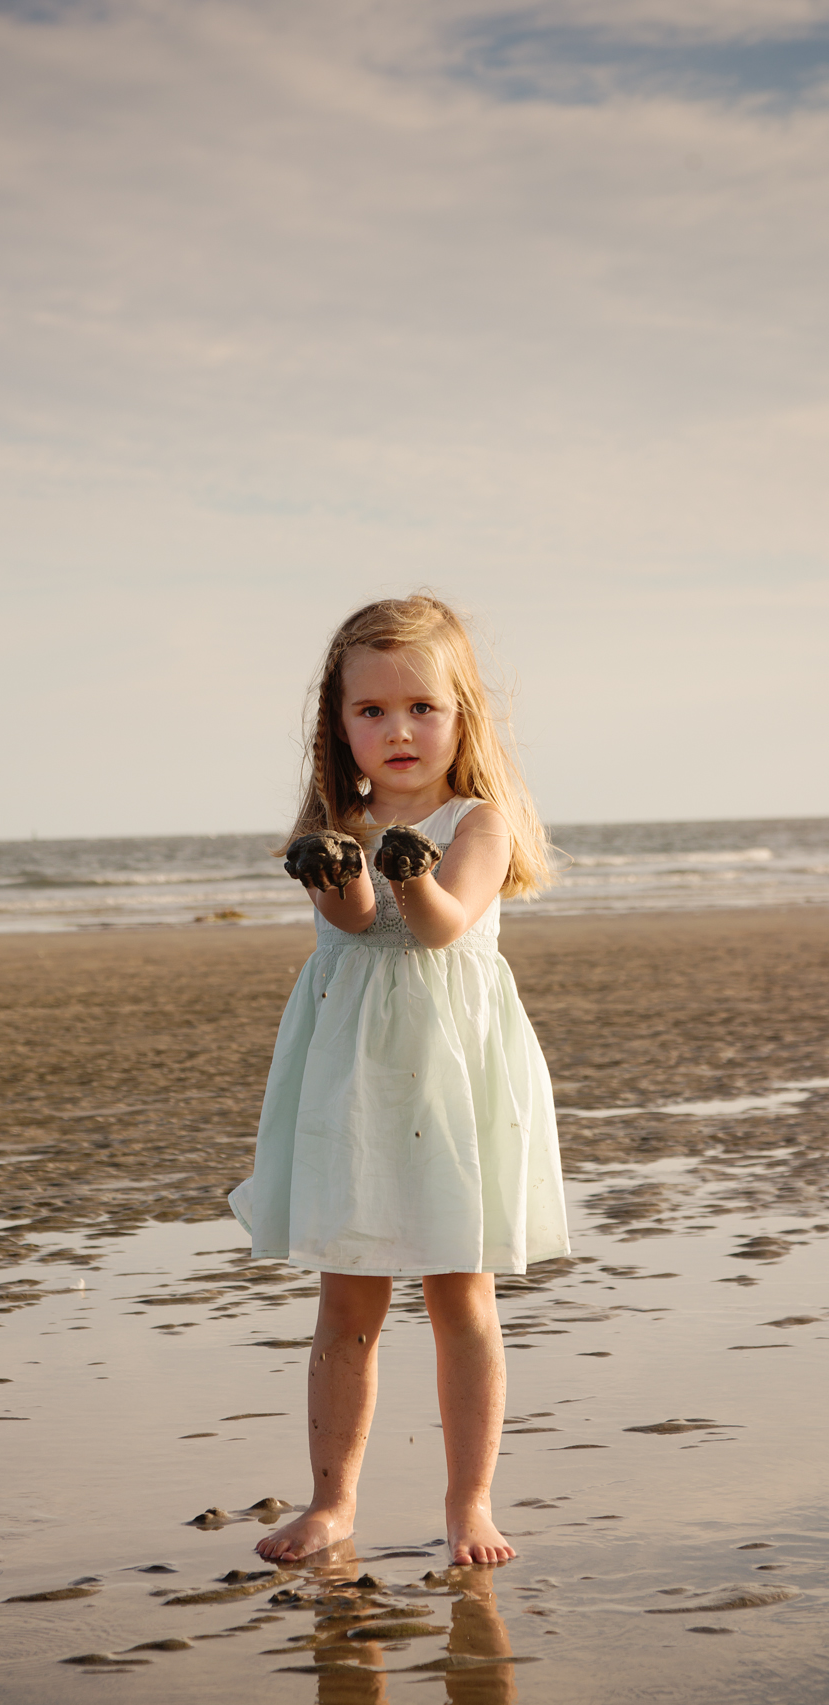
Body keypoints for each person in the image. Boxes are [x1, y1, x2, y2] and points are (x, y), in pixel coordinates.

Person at [229, 594, 569, 1566]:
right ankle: (331, 1502)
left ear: (463, 713)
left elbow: (440, 922)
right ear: (337, 725)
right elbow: (350, 920)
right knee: (349, 1303)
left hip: (447, 1088)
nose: (397, 730)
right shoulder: (345, 819)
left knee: (460, 1298)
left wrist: (407, 870)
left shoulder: (479, 821)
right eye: (370, 711)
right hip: (359, 1091)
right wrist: (336, 866)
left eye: (420, 706)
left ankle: (469, 1503)